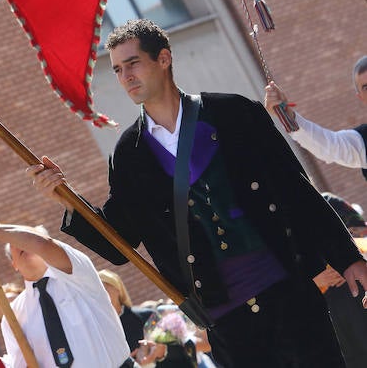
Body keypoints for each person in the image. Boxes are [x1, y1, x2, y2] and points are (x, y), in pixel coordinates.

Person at [28, 19, 367, 368]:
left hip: (288, 290)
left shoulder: (235, 113)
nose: (125, 76)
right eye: (117, 69)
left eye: (133, 63)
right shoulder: (129, 154)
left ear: (163, 59)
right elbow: (119, 243)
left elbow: (296, 190)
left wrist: (346, 257)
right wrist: (67, 199)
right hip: (226, 319)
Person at [0, 206, 134, 368]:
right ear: (13, 264)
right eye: (15, 244)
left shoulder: (77, 273)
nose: (21, 243)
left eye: (26, 237)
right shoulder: (13, 315)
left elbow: (41, 243)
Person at [264, 55, 367, 179]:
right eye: (366, 88)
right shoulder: (361, 141)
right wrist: (286, 114)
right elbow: (329, 146)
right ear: (361, 96)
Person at [315, 193, 367, 368]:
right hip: (327, 307)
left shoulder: (329, 202)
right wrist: (315, 278)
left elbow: (363, 232)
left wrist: (348, 259)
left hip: (357, 293)